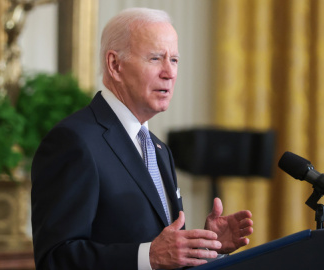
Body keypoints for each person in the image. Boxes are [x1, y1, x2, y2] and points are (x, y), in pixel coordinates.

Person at [31, 7, 253, 270]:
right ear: (115, 65)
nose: (169, 72)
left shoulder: (159, 150)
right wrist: (149, 257)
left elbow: (159, 246)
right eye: (156, 58)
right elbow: (55, 259)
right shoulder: (74, 141)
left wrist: (203, 247)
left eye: (174, 60)